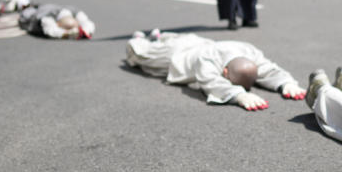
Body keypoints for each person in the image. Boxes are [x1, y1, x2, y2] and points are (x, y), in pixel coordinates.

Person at [125, 31, 305, 110]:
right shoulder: (207, 61)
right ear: (225, 73)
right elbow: (211, 82)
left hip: (196, 41)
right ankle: (138, 38)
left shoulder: (249, 52)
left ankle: (159, 36)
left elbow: (268, 69)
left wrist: (286, 83)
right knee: (142, 55)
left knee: (174, 38)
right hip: (177, 54)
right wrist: (239, 95)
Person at [19, 4, 94, 39]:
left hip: (51, 7)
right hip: (35, 11)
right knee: (25, 12)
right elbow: (51, 31)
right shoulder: (46, 18)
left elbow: (87, 23)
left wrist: (85, 31)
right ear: (57, 24)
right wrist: (67, 34)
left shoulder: (74, 12)